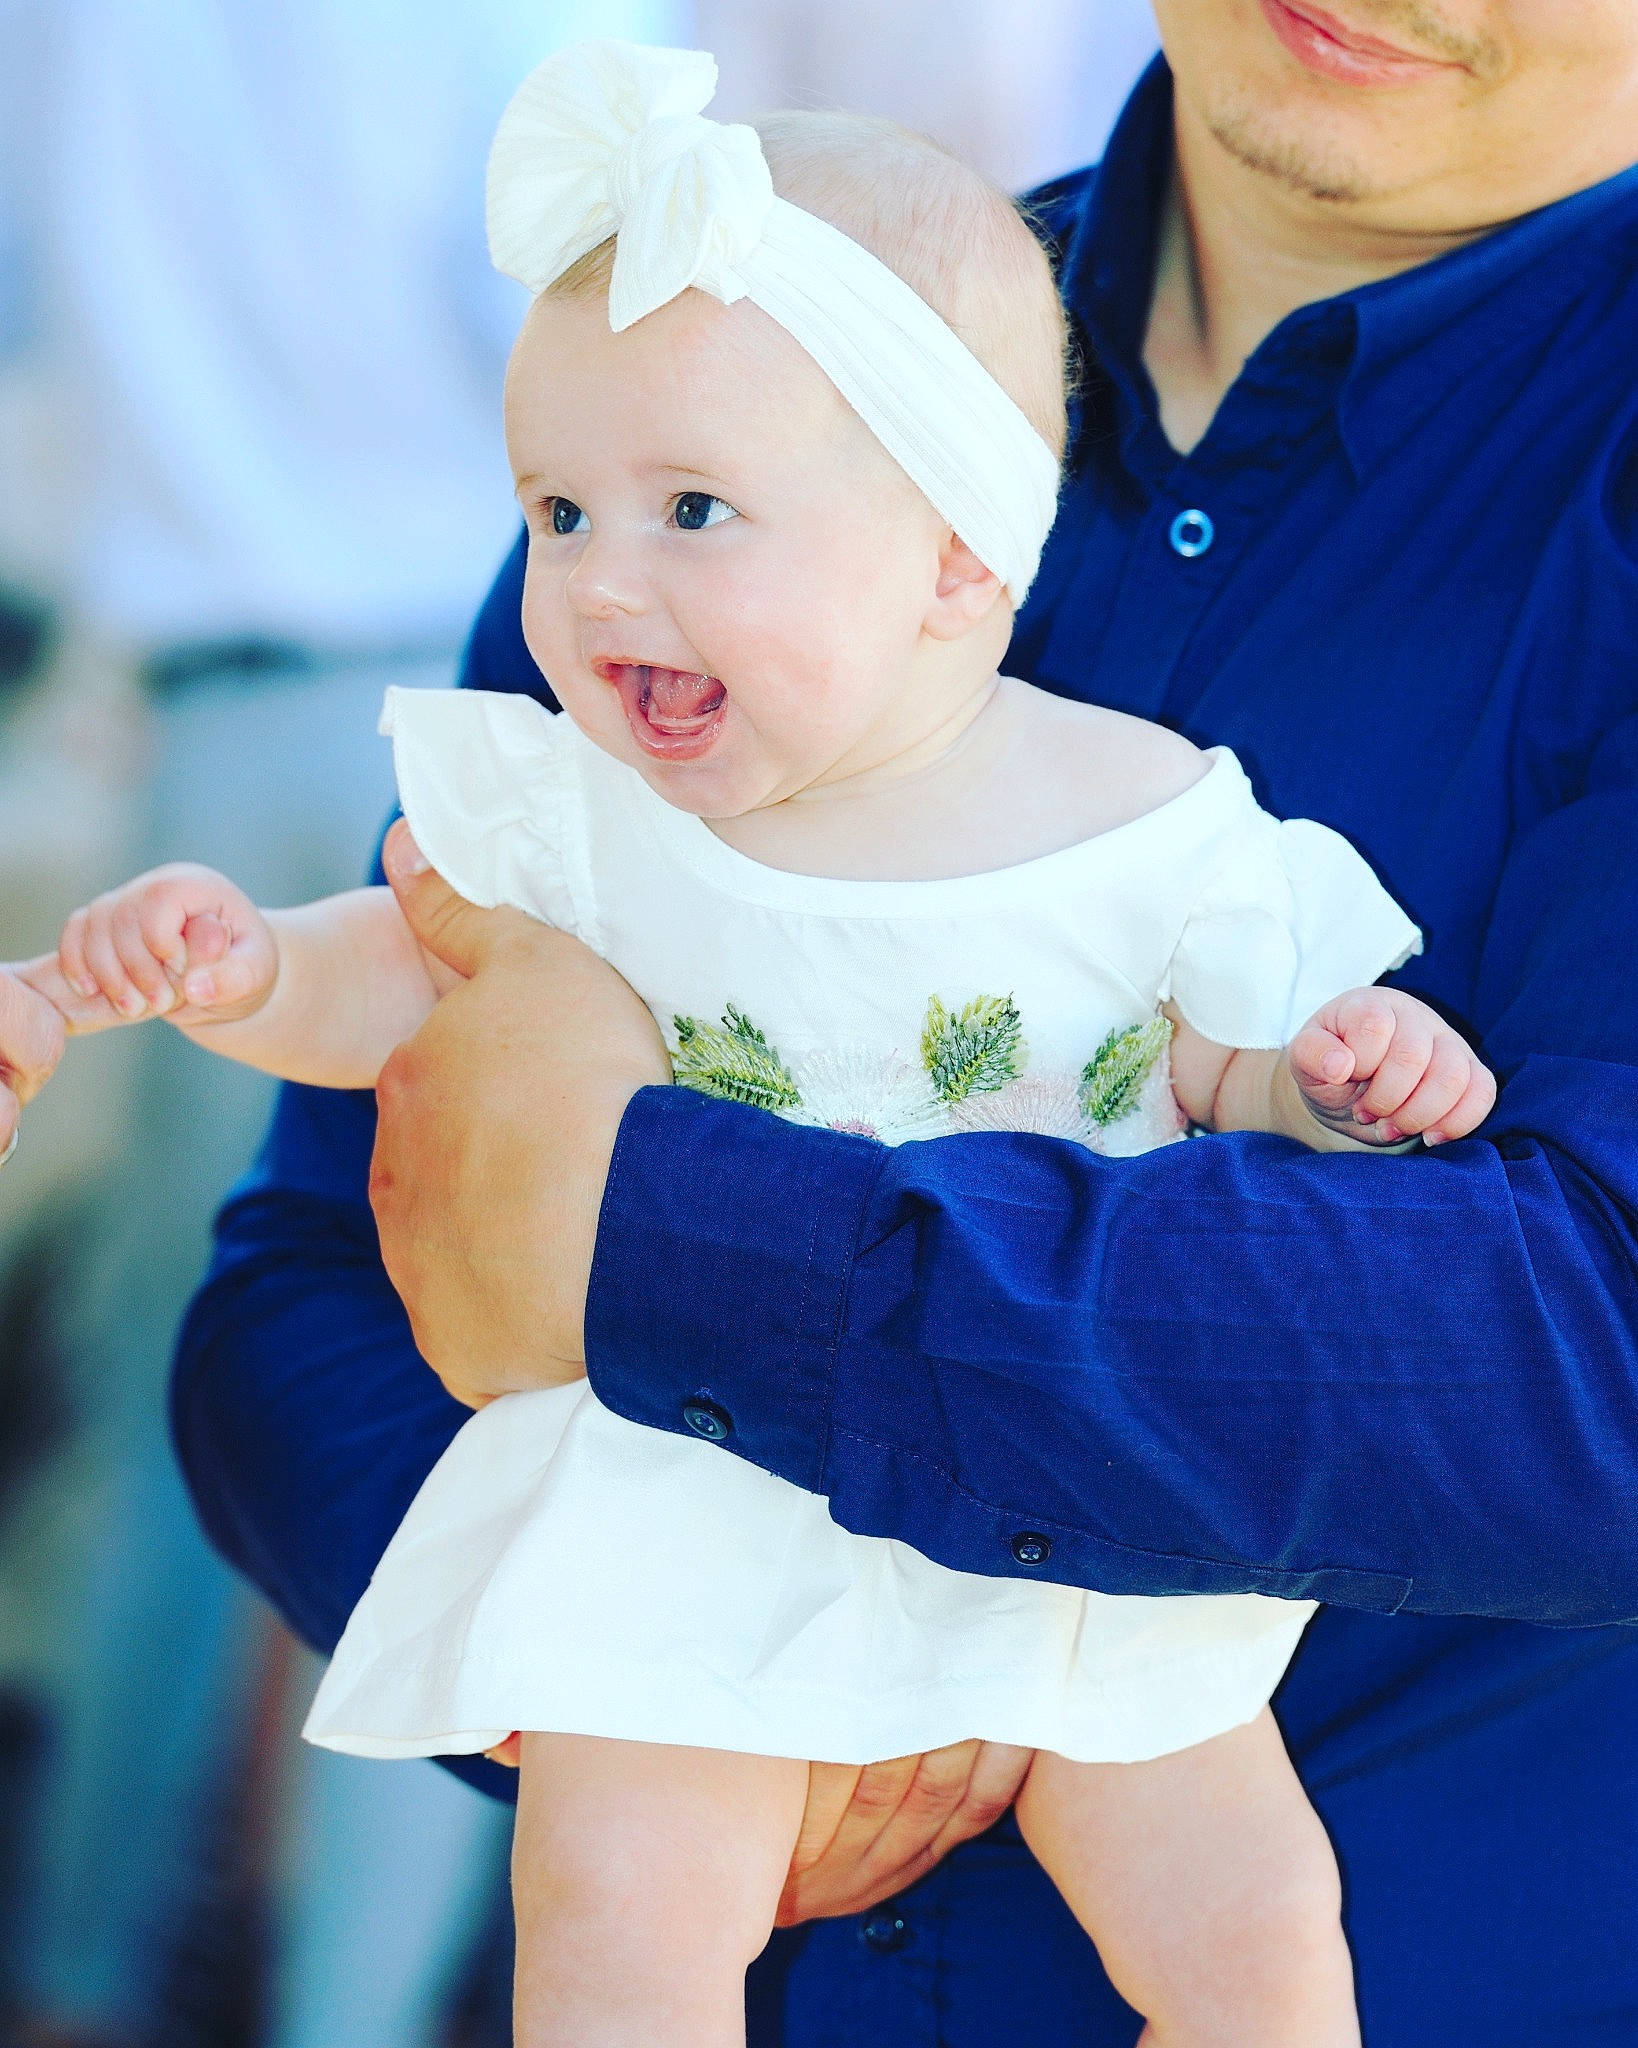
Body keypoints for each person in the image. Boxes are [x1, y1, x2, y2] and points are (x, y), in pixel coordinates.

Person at [156, 3, 1638, 2043]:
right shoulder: (721, 352)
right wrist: (613, 1686)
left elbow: (1597, 1356)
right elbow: (291, 1304)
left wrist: (654, 1233)